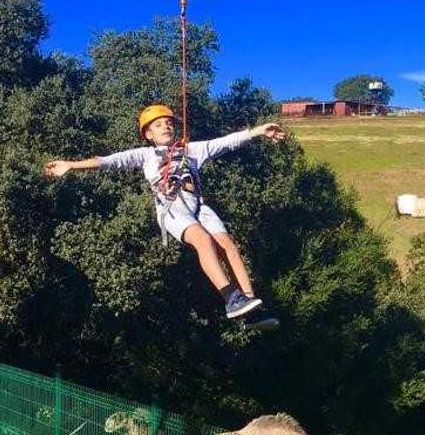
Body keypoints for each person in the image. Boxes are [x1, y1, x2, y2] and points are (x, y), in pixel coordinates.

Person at [43, 104, 286, 319]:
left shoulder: (193, 150)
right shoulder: (145, 155)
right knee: (202, 240)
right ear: (148, 134)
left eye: (169, 123)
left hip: (198, 204)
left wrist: (258, 131)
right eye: (158, 125)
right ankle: (230, 298)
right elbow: (108, 161)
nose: (166, 127)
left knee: (228, 246)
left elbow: (225, 142)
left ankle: (250, 304)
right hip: (172, 208)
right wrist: (71, 165)